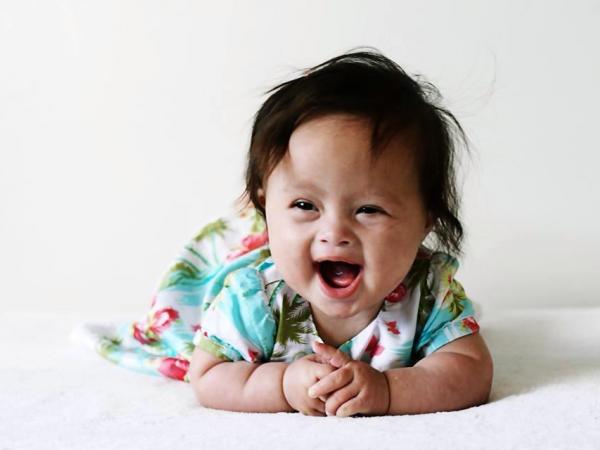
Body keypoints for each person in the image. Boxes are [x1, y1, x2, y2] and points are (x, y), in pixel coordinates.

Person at [89, 50, 493, 417]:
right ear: (267, 205)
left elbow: (470, 370)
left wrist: (387, 389)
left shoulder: (429, 292)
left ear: (426, 221)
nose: (334, 233)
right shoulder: (257, 298)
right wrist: (281, 385)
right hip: (227, 274)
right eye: (305, 206)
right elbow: (208, 375)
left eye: (369, 209)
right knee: (182, 318)